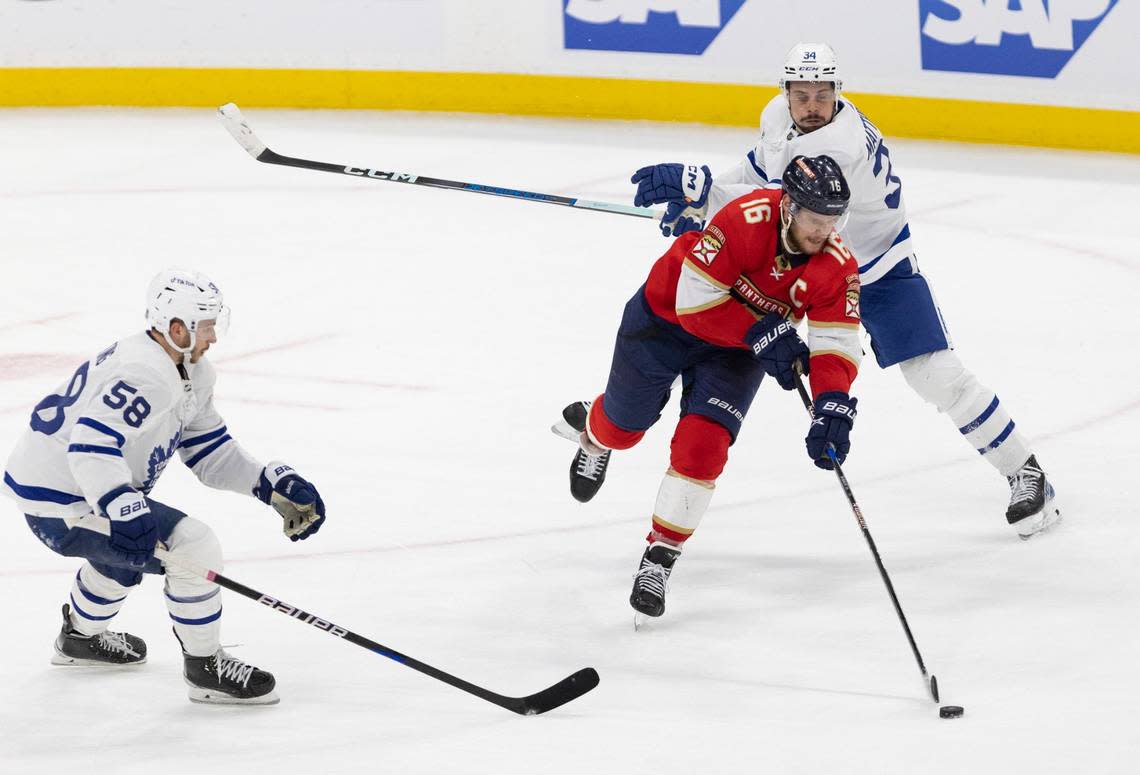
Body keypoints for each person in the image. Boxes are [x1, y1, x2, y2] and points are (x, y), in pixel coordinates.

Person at [628, 43, 1060, 540]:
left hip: (877, 265)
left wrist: (699, 192)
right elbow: (757, 177)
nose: (813, 104)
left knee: (934, 374)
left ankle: (1025, 470)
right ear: (785, 92)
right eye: (802, 94)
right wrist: (704, 203)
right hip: (813, 266)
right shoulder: (778, 117)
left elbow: (783, 201)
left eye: (823, 94)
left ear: (839, 92)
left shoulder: (837, 148)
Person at [554, 155, 862, 619]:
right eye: (815, 219)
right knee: (623, 429)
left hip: (735, 353)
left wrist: (832, 405)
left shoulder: (837, 266)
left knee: (705, 446)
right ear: (788, 208)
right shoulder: (743, 220)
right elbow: (693, 305)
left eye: (832, 220)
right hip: (665, 321)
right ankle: (594, 434)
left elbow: (836, 345)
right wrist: (764, 333)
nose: (824, 231)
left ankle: (660, 555)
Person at [2, 268, 327, 705]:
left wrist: (267, 483)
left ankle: (80, 640)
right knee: (193, 546)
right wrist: (120, 504)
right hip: (61, 502)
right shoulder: (147, 374)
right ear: (178, 329)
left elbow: (209, 450)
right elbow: (89, 445)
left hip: (74, 490)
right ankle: (205, 666)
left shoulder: (189, 370)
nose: (214, 336)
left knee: (125, 553)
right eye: (207, 326)